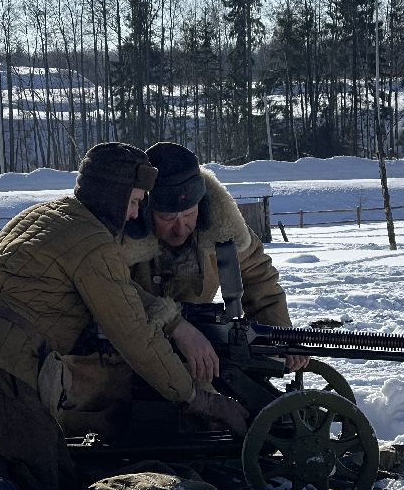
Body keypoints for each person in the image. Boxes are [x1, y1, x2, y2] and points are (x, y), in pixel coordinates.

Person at [0, 142, 248, 490]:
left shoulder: (43, 215)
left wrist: (175, 322)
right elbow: (138, 340)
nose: (134, 215)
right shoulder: (94, 244)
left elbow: (116, 291)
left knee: (46, 474)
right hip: (4, 374)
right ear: (112, 195)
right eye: (133, 202)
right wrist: (205, 401)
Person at [57, 141, 305, 438]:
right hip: (113, 362)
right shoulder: (112, 235)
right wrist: (174, 325)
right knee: (102, 428)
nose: (180, 228)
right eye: (168, 218)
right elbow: (108, 294)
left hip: (191, 365)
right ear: (145, 209)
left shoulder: (224, 230)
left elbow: (260, 279)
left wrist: (280, 338)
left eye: (189, 215)